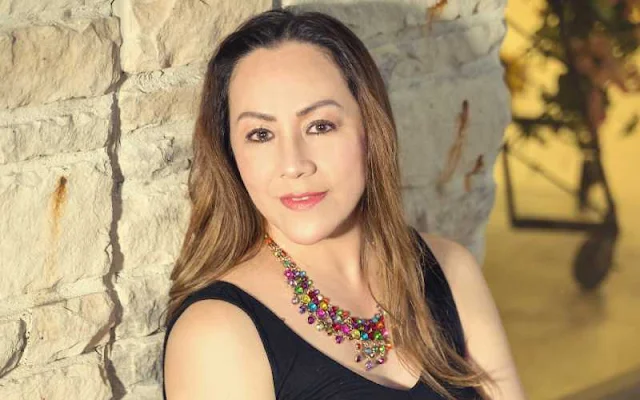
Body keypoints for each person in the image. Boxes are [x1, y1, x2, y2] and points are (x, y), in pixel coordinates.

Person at [162, 8, 526, 400]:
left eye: (320, 126)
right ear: (230, 153)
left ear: (370, 128)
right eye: (261, 134)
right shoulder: (216, 333)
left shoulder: (450, 270)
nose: (294, 165)